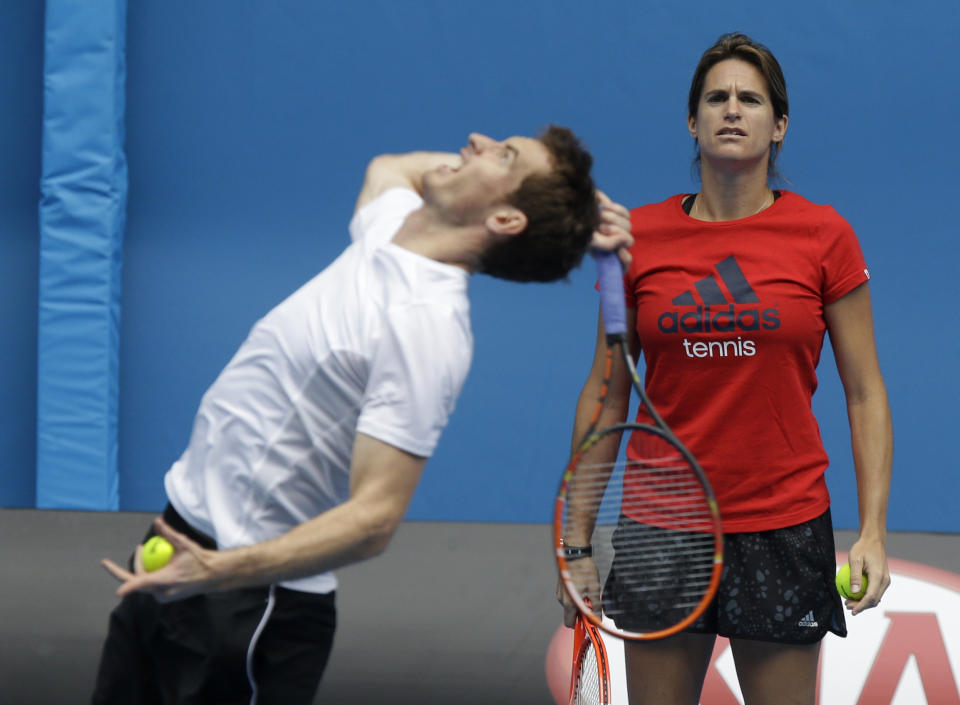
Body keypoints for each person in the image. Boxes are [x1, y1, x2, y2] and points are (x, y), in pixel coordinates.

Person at [92, 125, 634, 705]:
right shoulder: (390, 231)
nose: (474, 139)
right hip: (175, 550)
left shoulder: (425, 328)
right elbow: (388, 167)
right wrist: (577, 208)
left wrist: (223, 572)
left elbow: (375, 519)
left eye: (503, 155)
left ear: (504, 220)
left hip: (248, 604)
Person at [558, 33, 893, 705]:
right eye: (716, 98)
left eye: (750, 98)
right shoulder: (636, 241)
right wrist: (575, 540)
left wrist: (874, 530)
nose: (732, 109)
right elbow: (607, 391)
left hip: (783, 519)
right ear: (693, 120)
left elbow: (864, 391)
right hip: (663, 523)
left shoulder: (824, 237)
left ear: (780, 124)